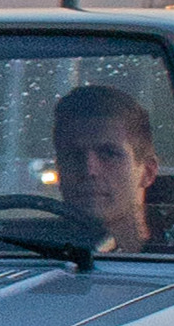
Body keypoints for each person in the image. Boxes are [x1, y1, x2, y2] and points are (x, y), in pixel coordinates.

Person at [52, 82, 162, 250]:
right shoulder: (28, 254)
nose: (89, 170)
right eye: (73, 155)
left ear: (148, 172)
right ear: (59, 169)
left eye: (109, 154)